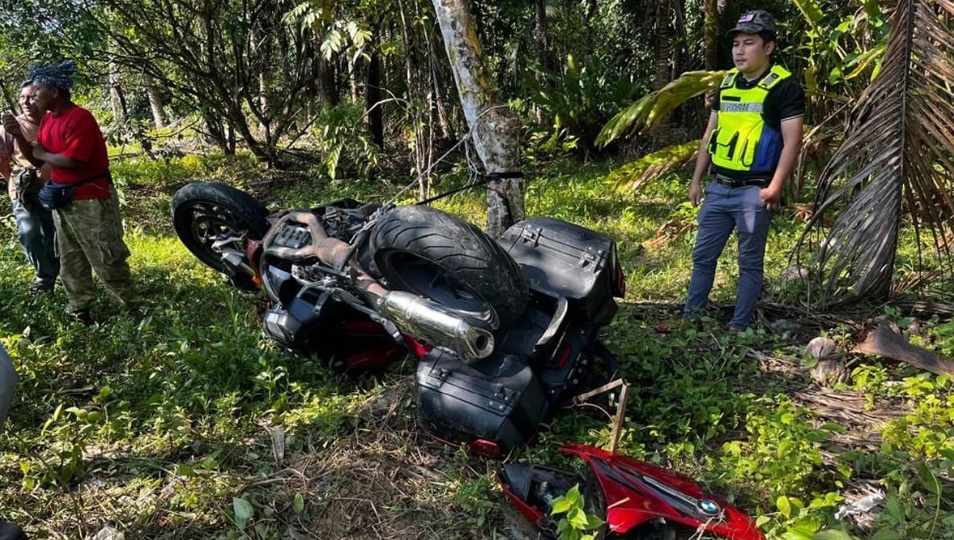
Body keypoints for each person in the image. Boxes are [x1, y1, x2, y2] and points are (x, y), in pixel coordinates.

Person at [683, 10, 804, 331]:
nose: (739, 50)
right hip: (718, 188)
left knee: (749, 264)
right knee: (702, 257)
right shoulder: (727, 83)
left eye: (749, 43)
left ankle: (739, 326)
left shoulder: (783, 87)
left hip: (754, 191)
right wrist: (696, 180)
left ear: (768, 47)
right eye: (736, 43)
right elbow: (710, 134)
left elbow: (793, 142)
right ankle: (690, 318)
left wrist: (776, 186)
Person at [1, 60, 136, 325]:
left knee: (106, 254)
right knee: (70, 258)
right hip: (63, 199)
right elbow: (39, 159)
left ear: (55, 91)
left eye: (38, 90)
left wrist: (43, 153)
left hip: (91, 197)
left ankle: (130, 308)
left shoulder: (80, 118)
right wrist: (18, 136)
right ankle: (80, 310)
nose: (33, 96)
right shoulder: (50, 120)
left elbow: (75, 160)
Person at [0, 81, 59, 294]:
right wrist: (12, 182)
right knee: (30, 233)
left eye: (32, 97)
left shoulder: (54, 122)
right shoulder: (11, 127)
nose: (26, 102)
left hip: (54, 187)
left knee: (54, 233)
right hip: (23, 188)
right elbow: (2, 159)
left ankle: (55, 274)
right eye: (22, 98)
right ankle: (44, 277)